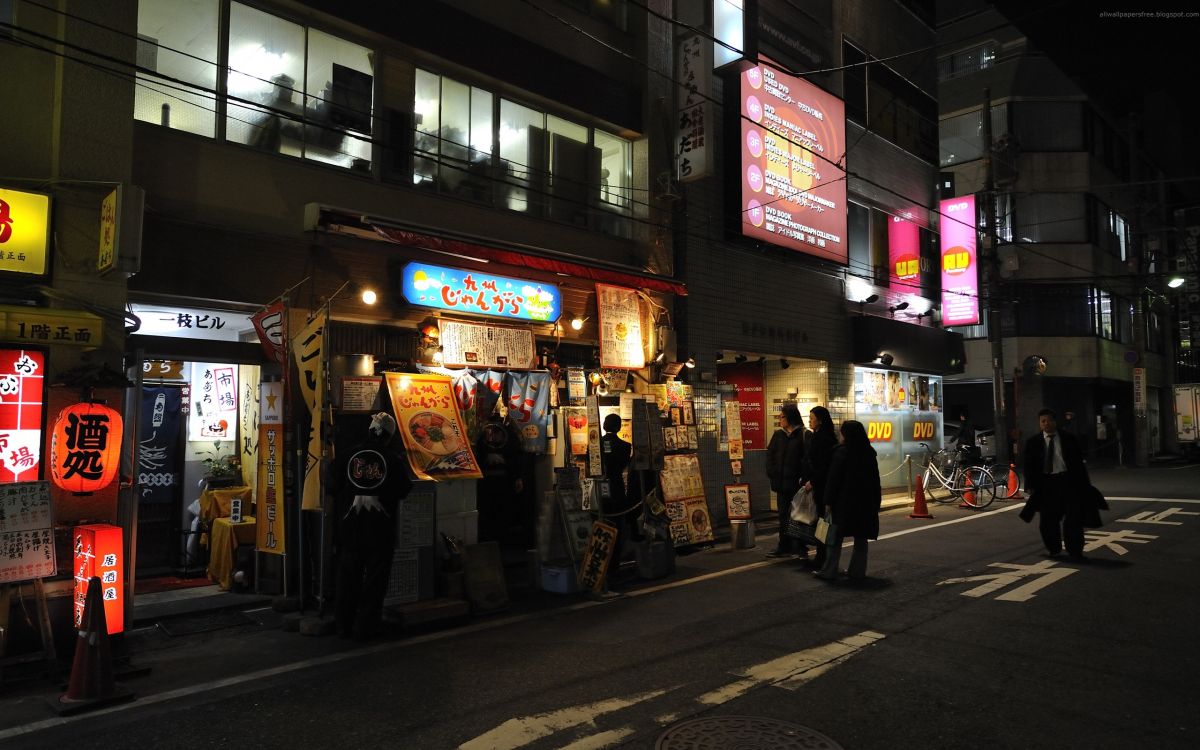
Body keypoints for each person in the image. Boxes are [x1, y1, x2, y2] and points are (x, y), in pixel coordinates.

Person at [328, 412, 413, 639]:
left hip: (350, 530)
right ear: (389, 436)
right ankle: (367, 626)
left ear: (369, 430)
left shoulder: (347, 456)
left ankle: (343, 624)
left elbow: (331, 486)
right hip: (380, 531)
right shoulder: (393, 460)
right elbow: (404, 489)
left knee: (348, 578)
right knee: (375, 582)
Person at [1020, 408, 1090, 561]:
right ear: (1039, 424)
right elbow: (1028, 465)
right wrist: (1030, 485)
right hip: (1046, 484)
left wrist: (1084, 485)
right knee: (1047, 520)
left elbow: (1078, 463)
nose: (1047, 424)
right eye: (1043, 421)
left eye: (1049, 420)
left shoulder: (1068, 438)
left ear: (1055, 422)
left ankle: (1075, 550)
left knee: (1073, 519)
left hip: (1067, 481)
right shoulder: (1033, 442)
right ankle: (1054, 549)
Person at [816, 420, 882, 581]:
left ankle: (829, 571)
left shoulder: (841, 452)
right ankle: (857, 572)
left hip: (843, 503)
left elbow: (833, 479)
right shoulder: (869, 452)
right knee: (861, 537)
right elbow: (875, 479)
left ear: (845, 434)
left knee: (834, 538)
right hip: (865, 502)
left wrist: (828, 501)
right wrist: (876, 501)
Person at [475, 414, 525, 546]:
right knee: (490, 511)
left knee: (501, 510)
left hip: (502, 480)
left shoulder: (508, 434)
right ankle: (492, 540)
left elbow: (516, 455)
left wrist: (517, 476)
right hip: (487, 480)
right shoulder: (480, 433)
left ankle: (499, 541)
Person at [600, 413, 638, 578]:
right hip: (616, 486)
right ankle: (615, 563)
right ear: (619, 427)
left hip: (600, 487)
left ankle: (603, 563)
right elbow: (623, 465)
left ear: (604, 425)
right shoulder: (625, 446)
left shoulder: (596, 443)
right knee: (618, 526)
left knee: (602, 524)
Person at [766, 404, 805, 558]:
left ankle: (800, 547)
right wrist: (772, 473)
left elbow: (806, 459)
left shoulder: (802, 435)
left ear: (790, 418)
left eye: (782, 417)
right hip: (781, 484)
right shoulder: (778, 435)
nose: (780, 419)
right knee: (783, 516)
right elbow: (770, 455)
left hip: (797, 485)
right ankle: (784, 546)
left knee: (799, 516)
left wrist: (803, 477)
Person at [802, 406, 838, 569]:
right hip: (819, 484)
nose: (809, 420)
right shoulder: (820, 436)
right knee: (819, 522)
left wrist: (813, 481)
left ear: (820, 420)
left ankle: (822, 558)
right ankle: (821, 556)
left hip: (823, 487)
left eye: (812, 417)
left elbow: (823, 466)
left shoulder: (824, 439)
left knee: (822, 522)